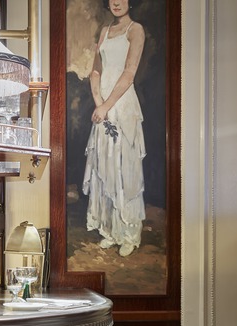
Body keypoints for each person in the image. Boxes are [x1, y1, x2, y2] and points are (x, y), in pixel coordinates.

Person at [82, 0, 146, 257]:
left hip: (122, 103)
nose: (117, 2)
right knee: (104, 164)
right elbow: (96, 71)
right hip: (103, 105)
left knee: (123, 167)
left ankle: (129, 233)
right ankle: (109, 230)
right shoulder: (105, 30)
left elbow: (129, 73)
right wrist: (98, 102)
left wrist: (107, 105)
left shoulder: (135, 29)